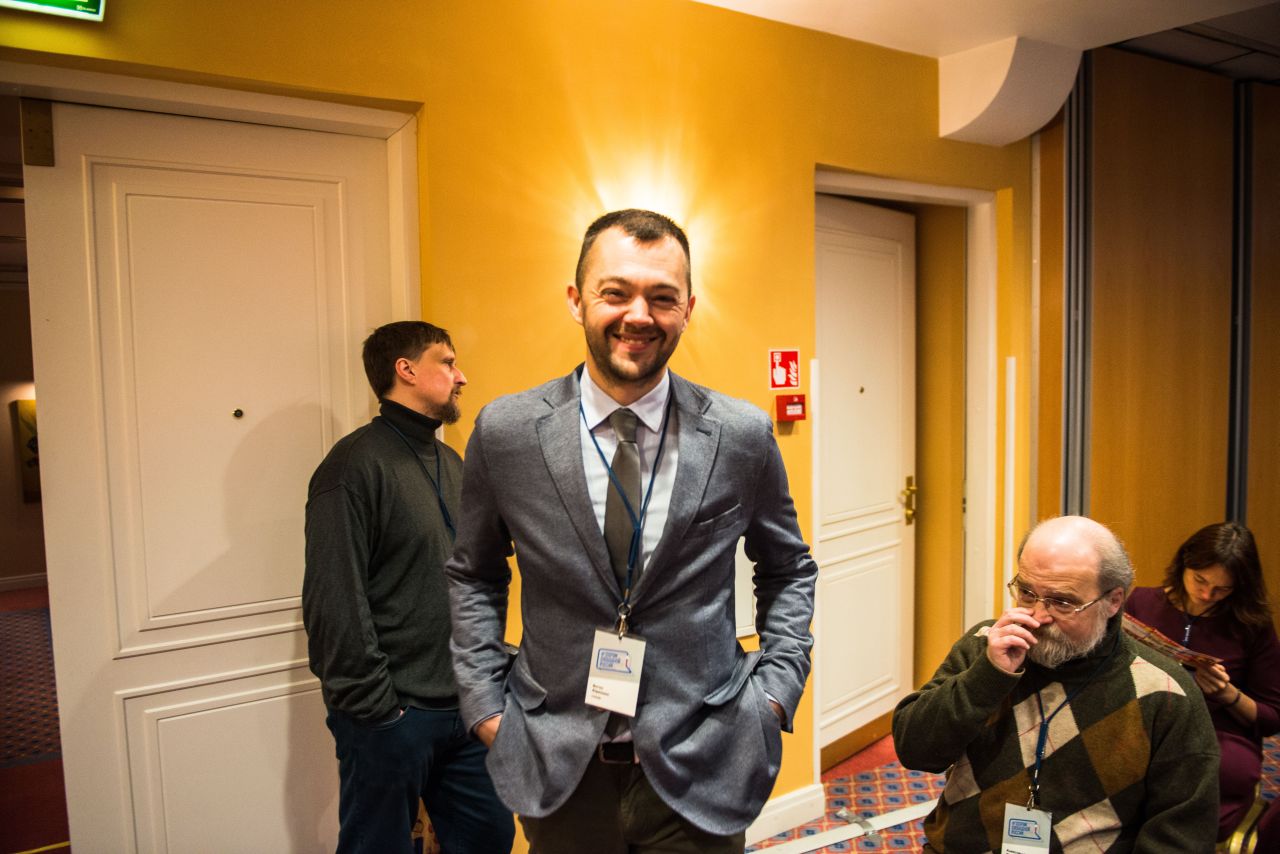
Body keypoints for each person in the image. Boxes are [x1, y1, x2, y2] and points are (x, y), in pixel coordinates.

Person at [445, 209, 818, 852]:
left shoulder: (740, 435)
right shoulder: (507, 433)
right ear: (577, 299)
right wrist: (484, 705)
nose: (638, 315)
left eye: (662, 297)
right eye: (615, 292)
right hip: (559, 764)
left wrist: (775, 694)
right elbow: (473, 573)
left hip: (704, 759)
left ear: (688, 309)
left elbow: (787, 568)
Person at [302, 321, 513, 854]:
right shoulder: (352, 467)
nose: (461, 377)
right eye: (448, 362)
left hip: (467, 710)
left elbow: (479, 572)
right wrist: (379, 711)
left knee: (491, 836)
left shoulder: (452, 462)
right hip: (394, 716)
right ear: (407, 370)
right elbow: (334, 599)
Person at [893, 515, 1219, 852]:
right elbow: (915, 751)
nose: (1038, 616)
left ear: (1113, 601)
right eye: (1026, 593)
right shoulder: (987, 645)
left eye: (1062, 602)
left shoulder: (1165, 691)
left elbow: (1182, 836)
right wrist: (986, 677)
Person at [1125, 521, 1280, 844]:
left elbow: (1271, 717)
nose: (1207, 594)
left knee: (1218, 770)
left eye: (1223, 589)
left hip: (1217, 730)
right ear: (1184, 563)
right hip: (1143, 719)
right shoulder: (1140, 603)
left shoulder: (1251, 625)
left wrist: (1228, 694)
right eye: (1200, 580)